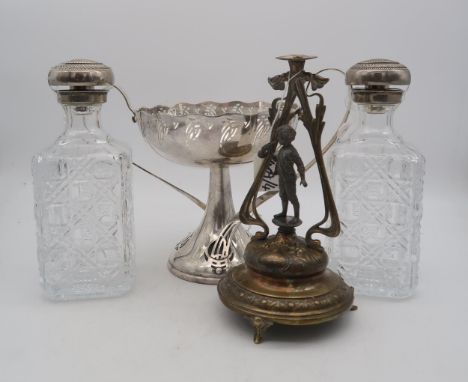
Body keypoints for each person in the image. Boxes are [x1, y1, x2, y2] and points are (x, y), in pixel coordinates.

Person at [273, 125, 307, 224]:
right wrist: (276, 170)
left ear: (287, 138)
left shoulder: (292, 151)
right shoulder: (282, 150)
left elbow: (300, 164)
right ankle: (284, 212)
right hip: (282, 178)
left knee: (292, 197)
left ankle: (296, 216)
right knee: (282, 195)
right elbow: (280, 161)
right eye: (278, 137)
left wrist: (303, 178)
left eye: (280, 137)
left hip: (289, 178)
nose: (278, 139)